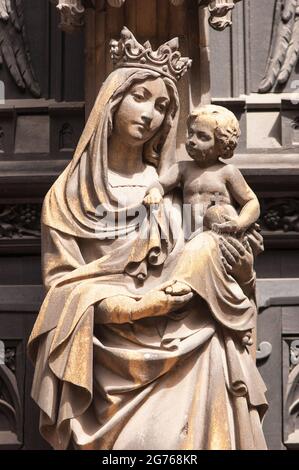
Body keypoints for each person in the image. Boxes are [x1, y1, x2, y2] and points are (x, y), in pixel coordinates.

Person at [28, 28, 267, 450]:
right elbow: (62, 291)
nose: (151, 114)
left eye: (162, 106)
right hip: (110, 362)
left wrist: (243, 266)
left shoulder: (176, 189)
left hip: (191, 344)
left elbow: (219, 270)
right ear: (111, 102)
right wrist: (137, 308)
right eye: (140, 97)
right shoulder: (67, 197)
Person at [143, 105, 261, 345]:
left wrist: (239, 222)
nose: (192, 141)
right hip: (190, 237)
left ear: (222, 144)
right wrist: (154, 193)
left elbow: (251, 202)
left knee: (218, 212)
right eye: (191, 134)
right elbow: (159, 184)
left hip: (222, 235)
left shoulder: (227, 172)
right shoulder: (184, 169)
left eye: (203, 137)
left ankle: (236, 318)